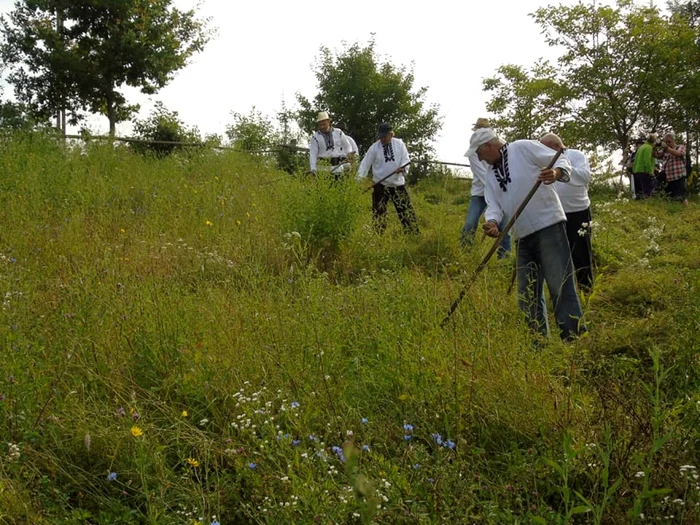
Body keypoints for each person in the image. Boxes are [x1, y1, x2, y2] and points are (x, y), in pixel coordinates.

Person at [465, 128, 585, 341]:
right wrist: (492, 222)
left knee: (560, 285)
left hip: (548, 226)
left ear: (489, 146)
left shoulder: (522, 148)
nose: (478, 157)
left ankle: (574, 341)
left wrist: (556, 173)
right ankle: (537, 341)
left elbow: (560, 158)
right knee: (527, 295)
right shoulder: (491, 174)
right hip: (521, 235)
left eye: (479, 153)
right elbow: (494, 204)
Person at [539, 133, 594, 291]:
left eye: (544, 148)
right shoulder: (545, 161)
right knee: (559, 254)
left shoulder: (576, 155)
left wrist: (561, 171)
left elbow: (584, 176)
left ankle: (586, 288)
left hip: (578, 212)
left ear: (556, 146)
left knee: (581, 252)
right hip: (555, 213)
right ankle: (564, 290)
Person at [357, 123, 419, 234]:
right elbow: (365, 164)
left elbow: (406, 159)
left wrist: (403, 168)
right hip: (380, 185)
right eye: (380, 137)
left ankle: (412, 233)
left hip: (398, 184)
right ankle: (378, 234)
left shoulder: (399, 144)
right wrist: (358, 180)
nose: (382, 139)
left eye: (384, 136)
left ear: (391, 134)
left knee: (405, 210)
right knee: (379, 212)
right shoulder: (374, 148)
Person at [461, 117, 511, 258]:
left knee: (504, 227)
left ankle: (504, 257)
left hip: (500, 191)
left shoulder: (502, 148)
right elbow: (482, 173)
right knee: (470, 223)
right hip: (480, 192)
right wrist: (494, 187)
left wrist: (499, 191)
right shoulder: (474, 152)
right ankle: (465, 253)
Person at [308, 112, 353, 179]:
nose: (322, 127)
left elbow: (347, 146)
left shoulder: (338, 132)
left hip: (338, 168)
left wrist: (349, 154)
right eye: (320, 125)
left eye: (324, 124)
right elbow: (313, 154)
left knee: (339, 188)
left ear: (328, 122)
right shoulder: (315, 137)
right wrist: (313, 170)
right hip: (322, 170)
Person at [661, 133, 689, 206]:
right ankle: (672, 213)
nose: (667, 143)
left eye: (669, 141)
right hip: (669, 178)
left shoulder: (680, 147)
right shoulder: (665, 150)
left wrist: (667, 148)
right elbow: (656, 155)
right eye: (666, 142)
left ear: (674, 140)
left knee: (682, 197)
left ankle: (686, 212)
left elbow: (679, 153)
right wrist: (654, 147)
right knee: (669, 197)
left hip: (679, 176)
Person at [632, 134, 656, 199]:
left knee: (639, 192)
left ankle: (638, 207)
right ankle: (647, 206)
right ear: (654, 142)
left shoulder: (641, 147)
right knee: (647, 192)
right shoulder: (648, 147)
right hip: (644, 171)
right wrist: (650, 172)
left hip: (636, 171)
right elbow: (646, 161)